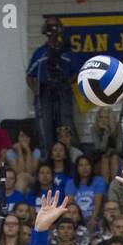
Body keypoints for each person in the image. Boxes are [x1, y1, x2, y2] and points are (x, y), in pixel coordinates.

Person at [26, 19, 80, 152]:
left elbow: (78, 73)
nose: (53, 30)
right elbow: (29, 76)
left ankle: (68, 158)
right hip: (44, 93)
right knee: (45, 128)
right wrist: (36, 90)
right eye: (50, 27)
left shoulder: (67, 52)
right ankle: (47, 160)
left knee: (66, 126)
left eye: (55, 26)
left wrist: (67, 82)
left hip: (63, 92)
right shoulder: (40, 53)